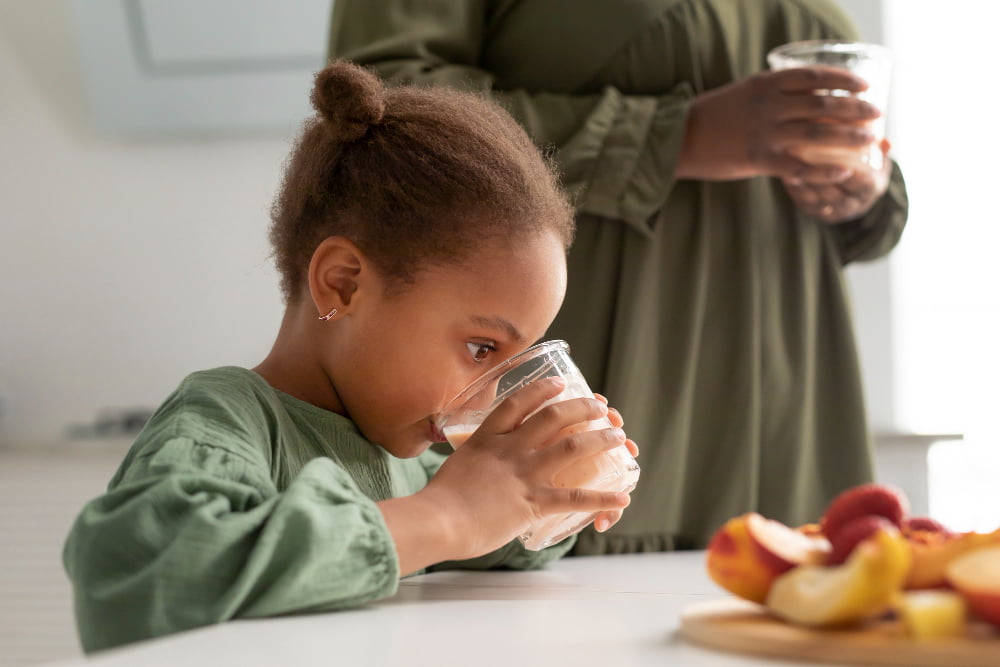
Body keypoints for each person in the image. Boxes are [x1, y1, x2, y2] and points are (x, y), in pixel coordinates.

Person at [62, 61, 636, 652]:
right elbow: (139, 580)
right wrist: (446, 517)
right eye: (481, 348)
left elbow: (489, 539)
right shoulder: (229, 423)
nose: (494, 392)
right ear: (342, 284)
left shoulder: (407, 462)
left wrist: (547, 493)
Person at [329, 0, 909, 554]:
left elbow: (868, 226)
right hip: (620, 373)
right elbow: (381, 105)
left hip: (798, 399)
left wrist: (865, 188)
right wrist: (674, 134)